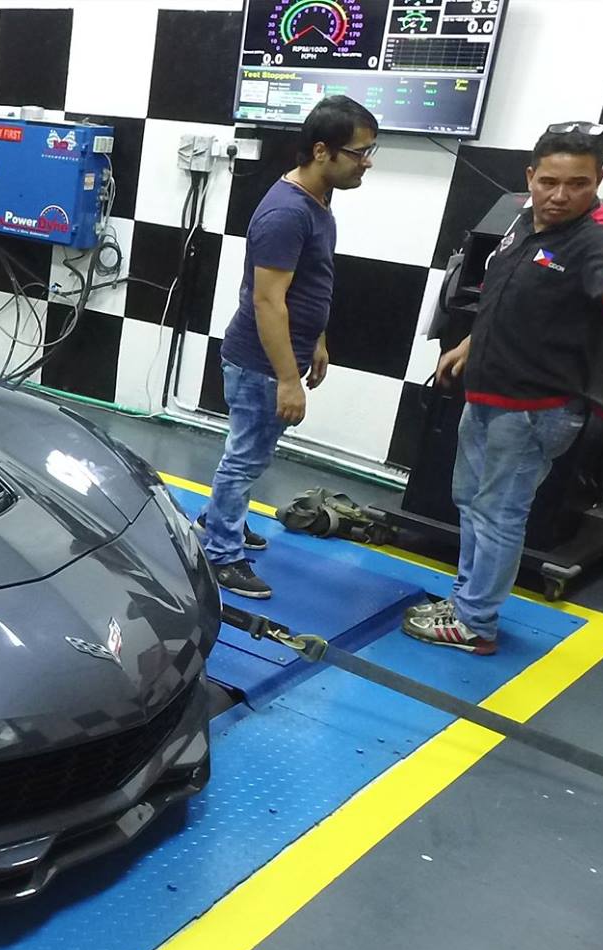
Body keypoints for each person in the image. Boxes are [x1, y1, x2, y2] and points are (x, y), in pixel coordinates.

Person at [409, 122, 603, 653]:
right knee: (471, 500)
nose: (560, 196)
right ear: (530, 175)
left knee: (498, 513)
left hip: (534, 409)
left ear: (599, 179)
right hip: (489, 394)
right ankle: (466, 601)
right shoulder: (525, 220)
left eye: (578, 184)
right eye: (549, 182)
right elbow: (512, 294)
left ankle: (475, 623)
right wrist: (469, 344)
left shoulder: (597, 239)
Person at [203, 96, 378, 600]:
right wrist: (286, 378)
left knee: (251, 455)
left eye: (370, 151)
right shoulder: (286, 213)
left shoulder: (318, 201)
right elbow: (267, 301)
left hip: (281, 356)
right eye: (359, 152)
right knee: (245, 459)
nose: (366, 163)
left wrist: (317, 340)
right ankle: (220, 552)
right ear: (322, 151)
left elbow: (309, 282)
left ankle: (220, 518)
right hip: (261, 363)